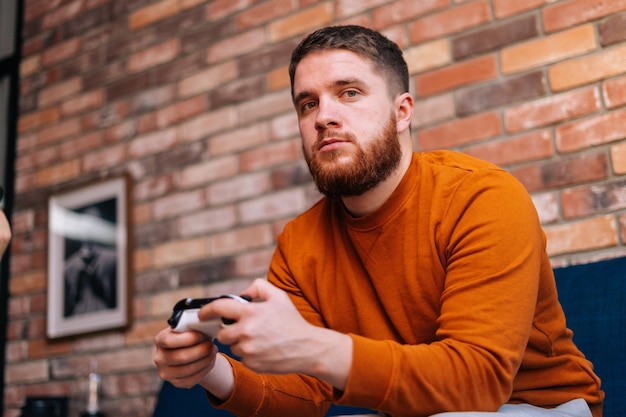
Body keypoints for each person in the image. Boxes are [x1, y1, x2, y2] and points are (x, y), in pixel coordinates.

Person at [154, 25, 603, 417]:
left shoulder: (481, 196)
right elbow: (304, 396)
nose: (323, 116)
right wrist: (211, 371)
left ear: (402, 111)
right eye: (306, 104)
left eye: (349, 93)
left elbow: (478, 382)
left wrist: (313, 346)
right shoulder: (299, 242)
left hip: (537, 408)